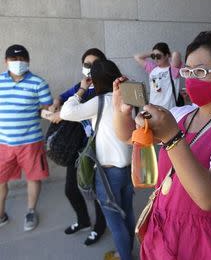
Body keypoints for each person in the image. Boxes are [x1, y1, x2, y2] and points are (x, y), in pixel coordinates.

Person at [113, 31, 211, 260]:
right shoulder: (179, 114)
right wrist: (121, 110)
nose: (191, 79)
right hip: (162, 227)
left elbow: (208, 197)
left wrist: (172, 137)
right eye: (187, 71)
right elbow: (127, 137)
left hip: (203, 239)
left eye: (200, 72)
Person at [60, 60, 135, 260]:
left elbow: (66, 112)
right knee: (127, 211)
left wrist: (82, 89)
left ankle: (125, 256)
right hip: (129, 169)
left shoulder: (100, 101)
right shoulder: (128, 99)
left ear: (95, 80)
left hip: (108, 172)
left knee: (114, 219)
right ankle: (127, 251)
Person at [47, 48, 107, 245]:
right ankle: (82, 220)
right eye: (87, 64)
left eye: (95, 64)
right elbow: (62, 97)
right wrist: (56, 104)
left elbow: (70, 112)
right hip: (78, 148)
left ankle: (99, 227)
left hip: (99, 149)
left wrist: (60, 113)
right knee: (71, 189)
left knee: (98, 193)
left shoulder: (105, 88)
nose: (90, 68)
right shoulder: (81, 86)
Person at [0, 45, 53, 231]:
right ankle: (1, 214)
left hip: (31, 142)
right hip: (3, 143)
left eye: (22, 59)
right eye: (14, 60)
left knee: (34, 178)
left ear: (28, 61)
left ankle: (31, 211)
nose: (18, 63)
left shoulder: (39, 83)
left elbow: (47, 109)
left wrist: (51, 112)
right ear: (6, 61)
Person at [134, 42, 183, 109]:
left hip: (168, 109)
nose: (155, 59)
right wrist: (153, 53)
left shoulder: (172, 69)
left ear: (166, 56)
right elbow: (137, 57)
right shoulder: (153, 69)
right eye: (153, 57)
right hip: (153, 108)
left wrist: (167, 53)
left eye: (158, 56)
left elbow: (176, 54)